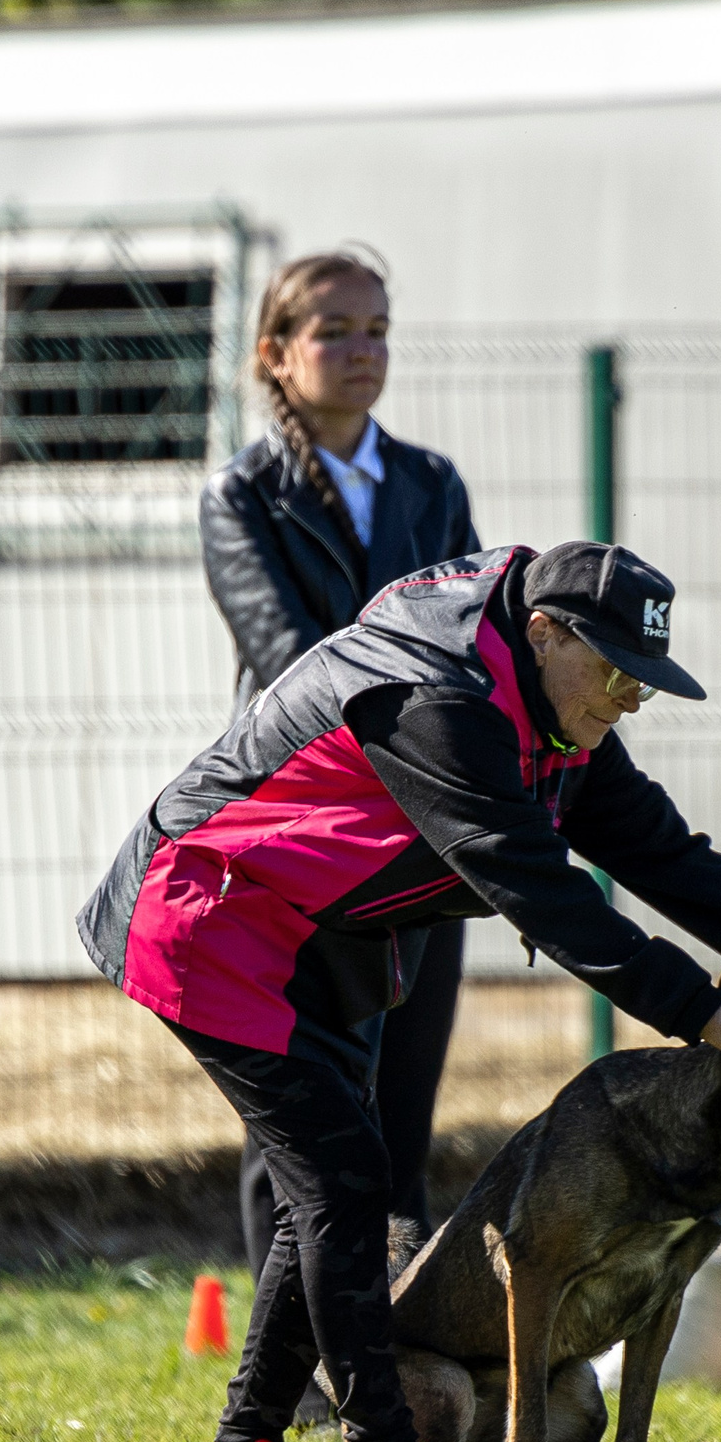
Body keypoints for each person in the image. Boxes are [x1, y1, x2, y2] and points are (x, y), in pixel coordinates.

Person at [82, 540, 721, 1442]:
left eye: (643, 684)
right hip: (211, 915)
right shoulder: (435, 701)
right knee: (342, 1183)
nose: (627, 703)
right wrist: (715, 1018)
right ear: (544, 632)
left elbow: (661, 854)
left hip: (314, 939)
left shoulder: (556, 707)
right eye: (615, 674)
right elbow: (541, 892)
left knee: (333, 1190)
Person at [199, 249, 480, 1292]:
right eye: (334, 331)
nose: (363, 351)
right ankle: (293, 1367)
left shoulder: (431, 484)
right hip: (299, 838)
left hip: (424, 833)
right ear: (276, 352)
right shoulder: (241, 494)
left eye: (377, 330)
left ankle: (392, 1353)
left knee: (401, 1126)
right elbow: (292, 665)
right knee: (303, 1127)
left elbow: (477, 644)